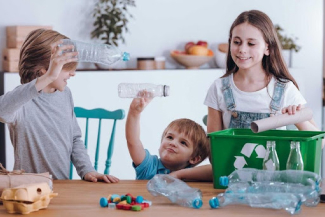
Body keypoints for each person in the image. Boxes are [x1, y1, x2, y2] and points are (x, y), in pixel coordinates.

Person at [169, 10, 322, 181]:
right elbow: (214, 155)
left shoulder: (285, 89)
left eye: (251, 43)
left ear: (267, 48)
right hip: (231, 181)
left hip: (274, 182)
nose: (242, 50)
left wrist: (296, 118)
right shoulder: (219, 88)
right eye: (237, 42)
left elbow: (320, 143)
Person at [0, 29, 119, 183]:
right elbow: (2, 109)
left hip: (61, 186)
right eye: (66, 68)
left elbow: (74, 139)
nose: (73, 73)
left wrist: (87, 170)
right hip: (27, 190)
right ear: (44, 70)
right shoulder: (22, 100)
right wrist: (49, 77)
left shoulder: (65, 94)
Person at [125, 96, 210, 180]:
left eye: (183, 143)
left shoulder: (192, 176)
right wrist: (134, 113)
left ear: (194, 158)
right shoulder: (149, 166)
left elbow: (214, 171)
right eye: (170, 137)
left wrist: (179, 175)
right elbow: (133, 142)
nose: (173, 143)